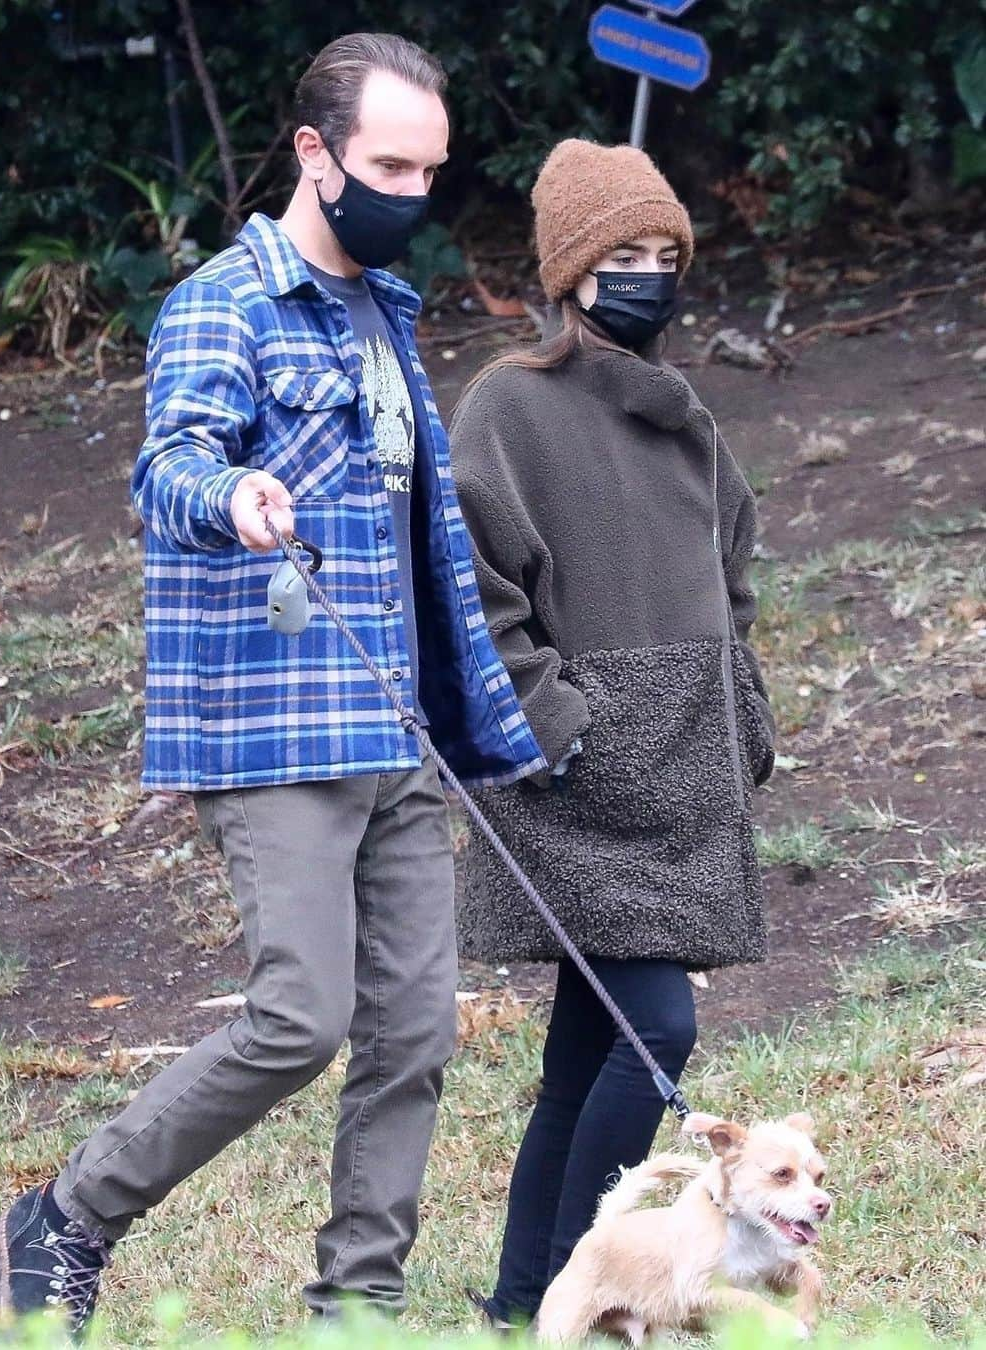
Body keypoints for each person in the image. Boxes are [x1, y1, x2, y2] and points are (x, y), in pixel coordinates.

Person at [0, 33, 544, 1336]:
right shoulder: (221, 305)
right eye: (388, 164)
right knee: (301, 1015)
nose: (412, 190)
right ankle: (70, 1209)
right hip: (274, 724)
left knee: (414, 1033)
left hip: (396, 721)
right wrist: (230, 491)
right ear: (314, 152)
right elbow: (164, 468)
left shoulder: (388, 315)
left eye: (431, 168)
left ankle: (358, 1305)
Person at [449, 139, 776, 1329]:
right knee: (657, 1028)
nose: (648, 274)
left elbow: (730, 568)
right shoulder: (508, 406)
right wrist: (556, 717)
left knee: (584, 1056)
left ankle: (522, 1302)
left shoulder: (681, 415)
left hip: (680, 776)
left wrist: (735, 705)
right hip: (572, 782)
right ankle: (591, 1290)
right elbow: (467, 586)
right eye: (621, 256)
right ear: (570, 273)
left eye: (665, 254)